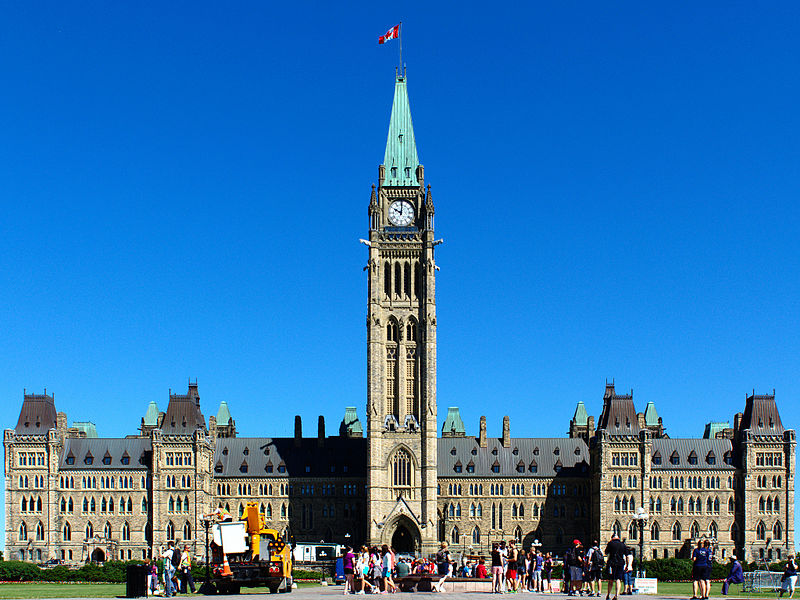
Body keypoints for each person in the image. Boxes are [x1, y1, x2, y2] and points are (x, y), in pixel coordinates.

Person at [604, 534, 626, 600]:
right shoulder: (622, 545)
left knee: (611, 579)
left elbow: (606, 552)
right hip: (620, 563)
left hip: (612, 563)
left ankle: (608, 595)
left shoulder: (610, 543)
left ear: (612, 538)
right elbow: (627, 554)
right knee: (618, 579)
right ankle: (617, 595)